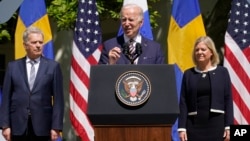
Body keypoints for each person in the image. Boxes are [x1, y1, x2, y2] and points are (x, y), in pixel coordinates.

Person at [0, 26, 64, 141]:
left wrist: (56, 126)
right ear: (25, 45)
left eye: (40, 42)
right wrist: (5, 125)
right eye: (34, 42)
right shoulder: (13, 67)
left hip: (43, 126)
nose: (38, 45)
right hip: (17, 125)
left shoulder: (53, 67)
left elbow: (58, 99)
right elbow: (6, 98)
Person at [178, 36, 233, 141]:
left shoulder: (223, 72)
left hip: (217, 126)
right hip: (193, 126)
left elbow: (228, 100)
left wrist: (228, 126)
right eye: (197, 50)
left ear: (211, 52)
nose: (199, 52)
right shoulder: (188, 74)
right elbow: (183, 102)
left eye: (203, 49)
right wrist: (181, 128)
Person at [99, 3, 165, 64]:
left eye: (131, 20)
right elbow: (100, 74)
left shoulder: (155, 48)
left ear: (141, 23)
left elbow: (161, 74)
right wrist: (111, 64)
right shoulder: (109, 46)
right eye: (124, 20)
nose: (127, 24)